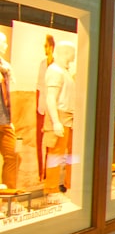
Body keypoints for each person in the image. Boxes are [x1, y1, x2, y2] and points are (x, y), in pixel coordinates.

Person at [44, 41, 76, 204]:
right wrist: (55, 121)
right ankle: (51, 190)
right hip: (60, 115)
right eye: (73, 52)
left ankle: (69, 185)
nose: (74, 56)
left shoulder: (65, 71)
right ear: (66, 52)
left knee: (72, 154)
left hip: (70, 117)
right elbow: (50, 97)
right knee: (55, 154)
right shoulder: (55, 70)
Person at [35, 34, 54, 180]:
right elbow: (40, 86)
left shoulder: (55, 65)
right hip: (42, 106)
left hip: (51, 108)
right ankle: (40, 172)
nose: (44, 48)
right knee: (39, 140)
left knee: (49, 143)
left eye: (46, 46)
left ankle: (47, 174)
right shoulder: (43, 63)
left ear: (51, 47)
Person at [0, 34, 17, 189]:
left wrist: (10, 120)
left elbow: (9, 93)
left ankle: (8, 199)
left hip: (5, 120)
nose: (5, 46)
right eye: (3, 43)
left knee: (12, 155)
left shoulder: (6, 67)